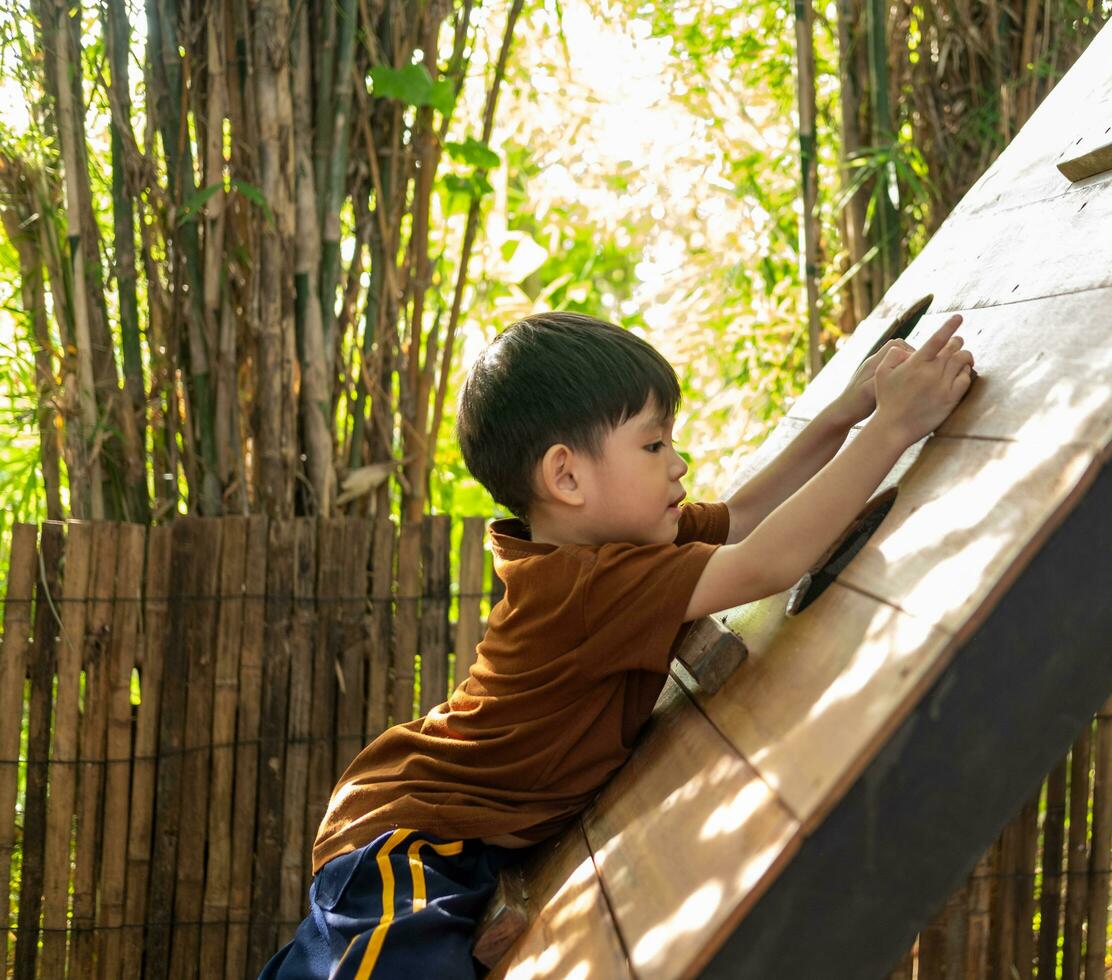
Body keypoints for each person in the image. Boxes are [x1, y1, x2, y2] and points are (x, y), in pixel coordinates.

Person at [259, 309, 975, 978]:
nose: (678, 463)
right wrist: (892, 430)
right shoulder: (588, 586)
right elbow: (769, 563)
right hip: (411, 832)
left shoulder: (617, 550)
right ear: (566, 475)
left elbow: (751, 515)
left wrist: (848, 415)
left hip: (464, 830)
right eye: (654, 443)